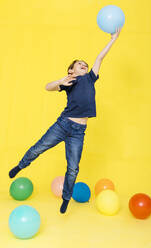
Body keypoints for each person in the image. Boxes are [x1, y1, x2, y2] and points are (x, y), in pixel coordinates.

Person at [9, 28, 122, 213]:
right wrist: (61, 80)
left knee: (73, 168)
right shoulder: (69, 82)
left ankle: (66, 198)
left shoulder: (90, 79)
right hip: (63, 124)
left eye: (84, 64)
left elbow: (100, 58)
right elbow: (47, 87)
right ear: (71, 70)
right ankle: (20, 166)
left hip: (79, 131)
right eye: (79, 64)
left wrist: (113, 39)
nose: (84, 65)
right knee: (39, 147)